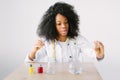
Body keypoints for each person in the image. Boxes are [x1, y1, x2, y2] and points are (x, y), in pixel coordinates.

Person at [25, 2, 104, 62]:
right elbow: (30, 61)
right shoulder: (47, 41)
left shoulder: (77, 39)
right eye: (59, 24)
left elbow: (91, 53)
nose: (63, 26)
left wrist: (99, 55)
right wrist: (34, 51)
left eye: (66, 22)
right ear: (52, 25)